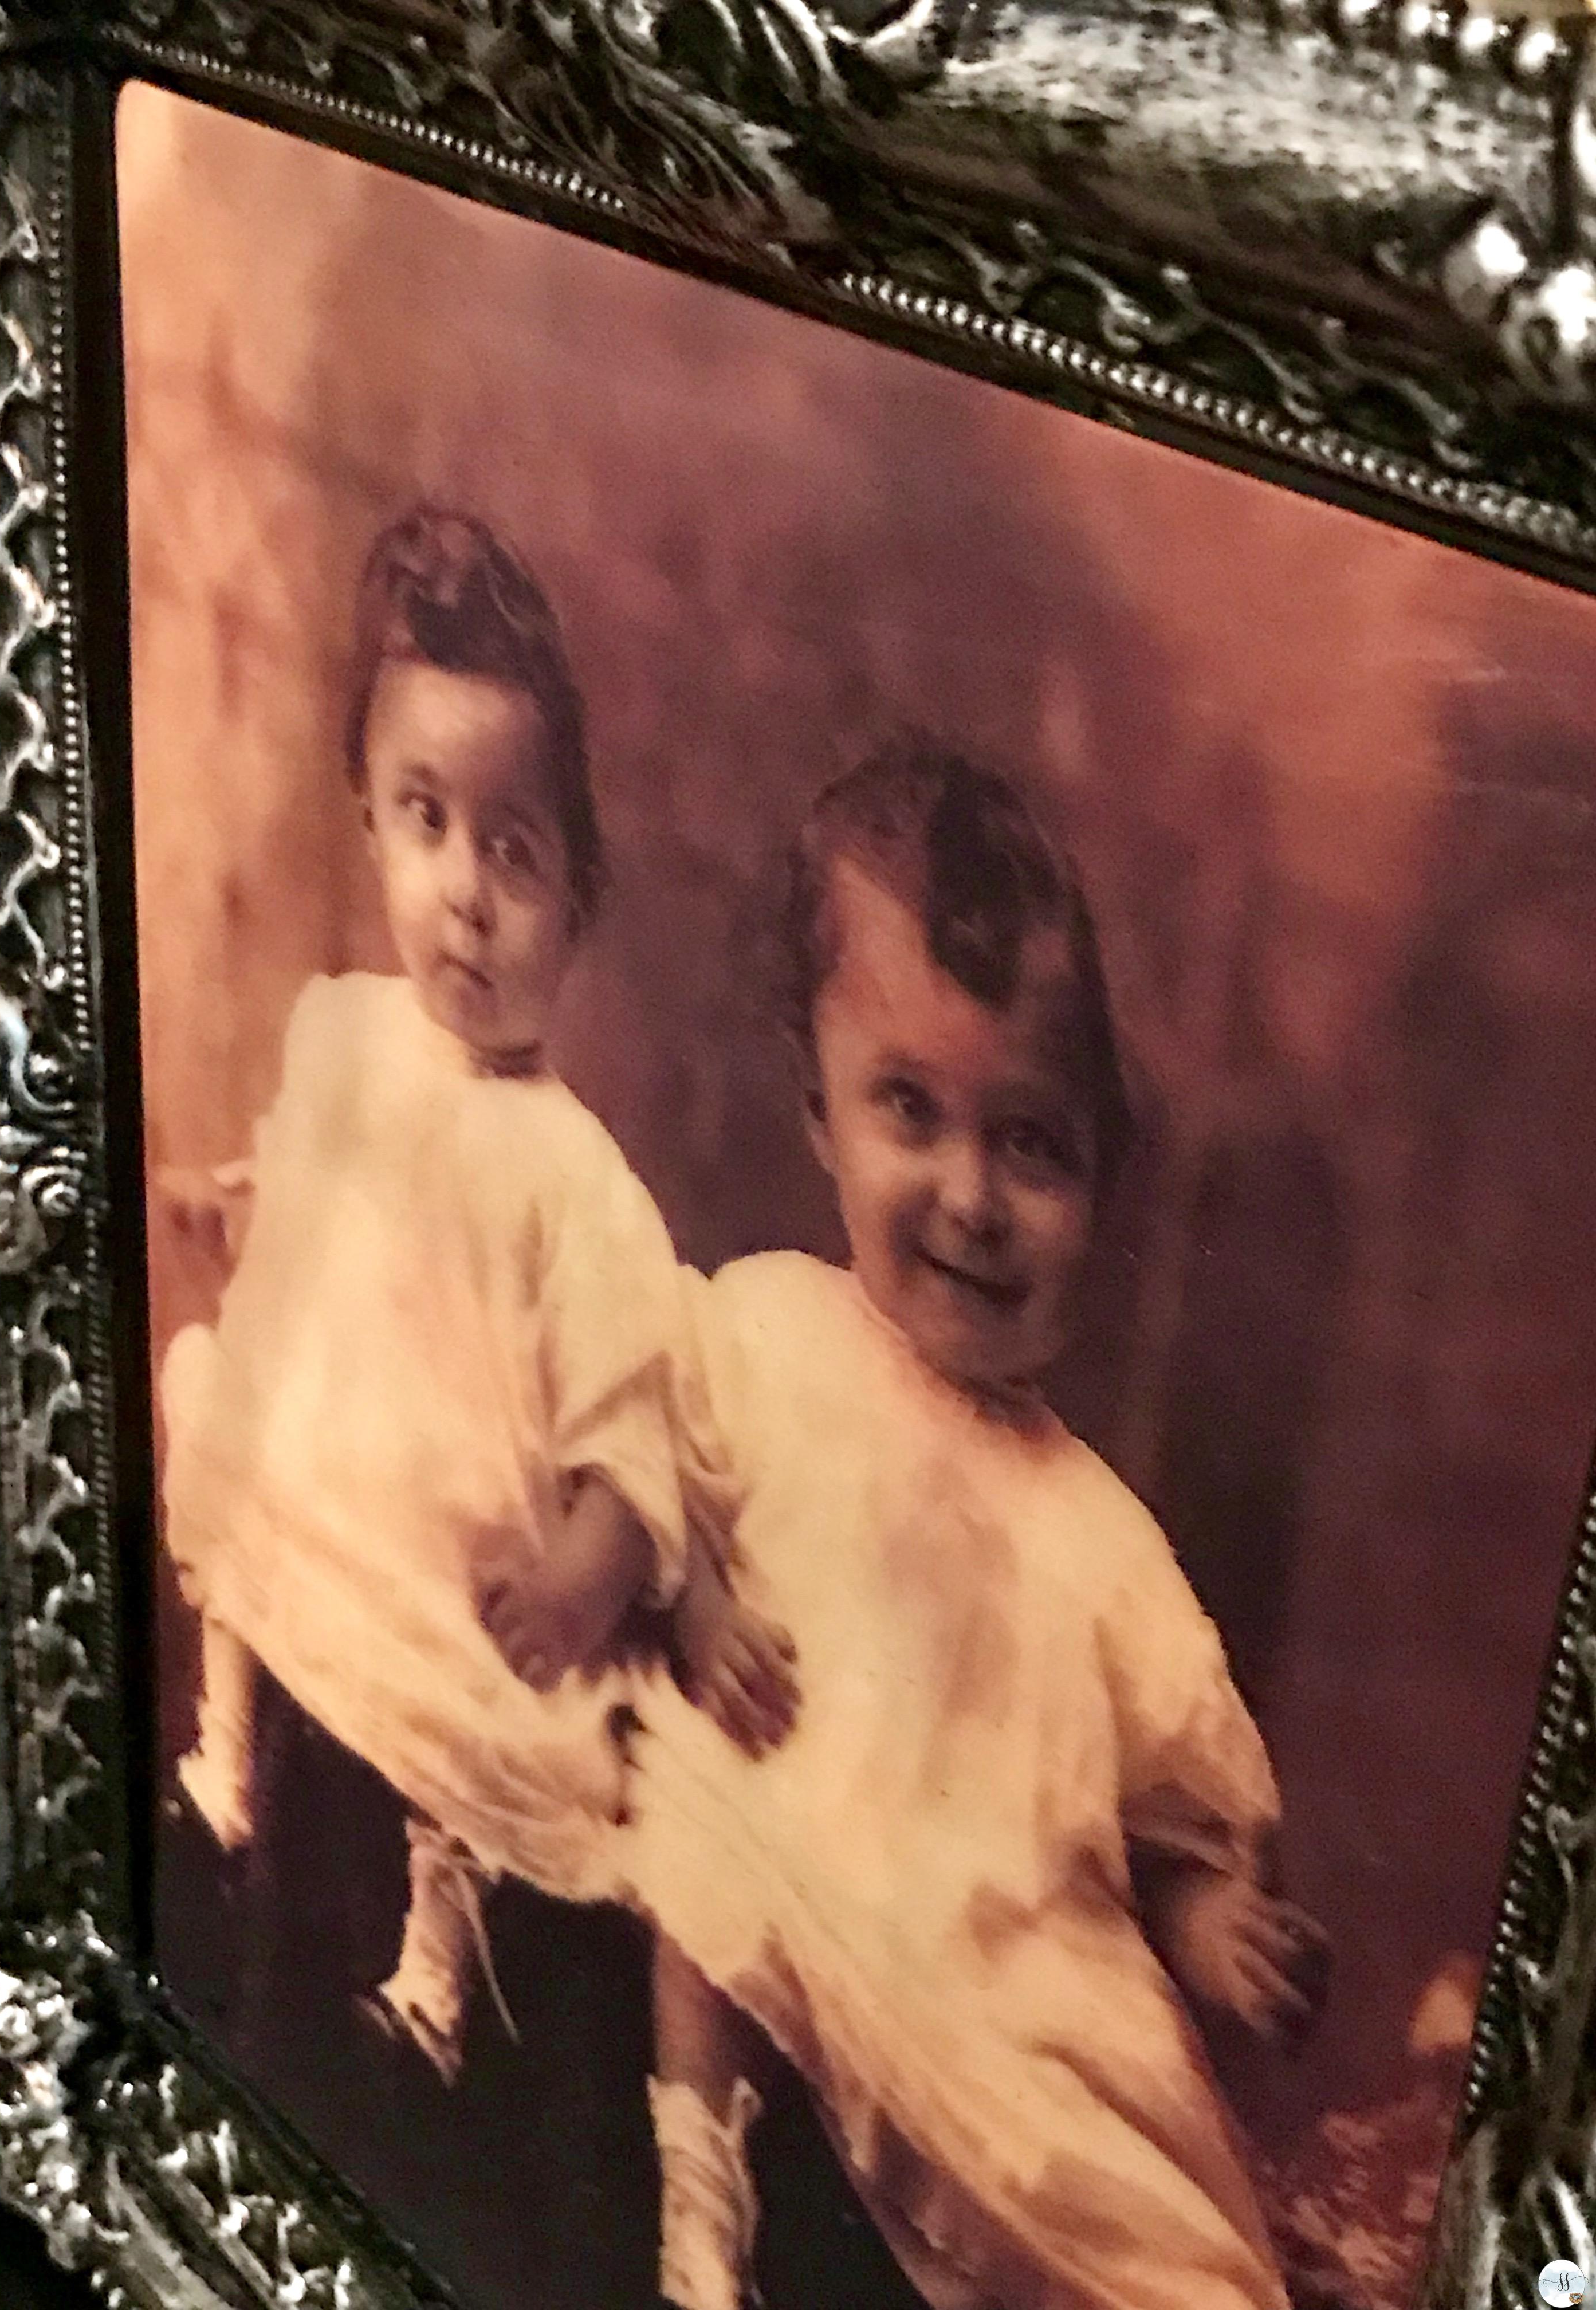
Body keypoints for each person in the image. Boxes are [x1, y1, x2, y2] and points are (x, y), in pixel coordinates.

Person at [628, 742, 1330, 2310]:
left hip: (1005, 1999)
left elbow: (1169, 1816)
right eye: (911, 1110)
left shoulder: (1101, 1543)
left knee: (1158, 2257)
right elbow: (640, 1485)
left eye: (1032, 1143)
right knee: (696, 1837)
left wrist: (1209, 1921)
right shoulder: (766, 1332)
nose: (970, 1195)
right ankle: (702, 2186)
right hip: (797, 1880)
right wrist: (697, 1612)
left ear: (1102, 1179)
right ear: (818, 1111)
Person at [160, 504, 795, 2079]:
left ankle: (436, 1971)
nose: (463, 894)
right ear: (369, 821)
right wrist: (237, 1207)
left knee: (475, 1720)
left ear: (577, 898)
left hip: (458, 1541)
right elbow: (316, 1198)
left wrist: (586, 1574)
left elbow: (628, 1428)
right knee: (213, 1413)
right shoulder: (347, 1035)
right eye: (426, 822)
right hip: (334, 1465)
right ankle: (222, 1762)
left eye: (513, 852)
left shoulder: (575, 1176)